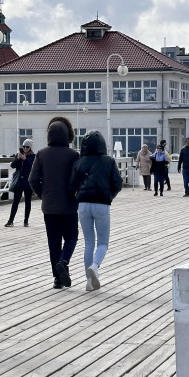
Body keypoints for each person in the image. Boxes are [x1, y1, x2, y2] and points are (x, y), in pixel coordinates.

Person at [29, 117, 80, 289]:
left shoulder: (42, 154)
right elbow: (78, 180)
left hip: (49, 206)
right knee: (72, 237)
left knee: (53, 241)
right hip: (69, 205)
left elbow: (33, 179)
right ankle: (64, 261)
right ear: (67, 135)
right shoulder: (74, 155)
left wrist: (43, 194)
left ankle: (57, 279)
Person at [70, 131, 122, 291]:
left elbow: (71, 186)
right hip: (102, 204)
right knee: (103, 242)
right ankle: (95, 266)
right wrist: (109, 196)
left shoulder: (79, 162)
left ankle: (89, 282)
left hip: (83, 204)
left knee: (88, 242)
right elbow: (117, 183)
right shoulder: (108, 161)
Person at [6, 139, 35, 227]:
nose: (25, 148)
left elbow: (31, 167)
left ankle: (26, 221)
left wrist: (25, 159)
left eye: (27, 147)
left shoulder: (33, 156)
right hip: (19, 181)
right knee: (15, 201)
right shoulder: (19, 154)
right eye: (24, 146)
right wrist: (18, 158)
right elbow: (12, 166)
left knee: (28, 201)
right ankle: (10, 221)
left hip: (28, 182)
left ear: (30, 148)